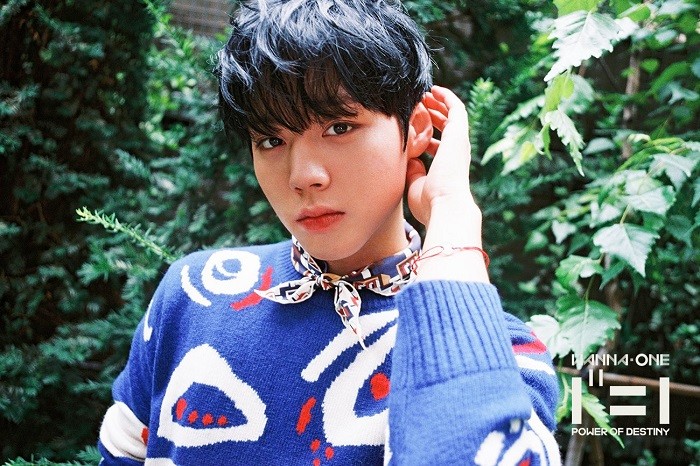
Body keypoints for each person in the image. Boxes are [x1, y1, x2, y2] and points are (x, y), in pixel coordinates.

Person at [98, 0, 561, 464]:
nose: (304, 176)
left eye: (339, 127)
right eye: (271, 140)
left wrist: (452, 214)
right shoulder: (194, 295)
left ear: (416, 129)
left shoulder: (501, 355)